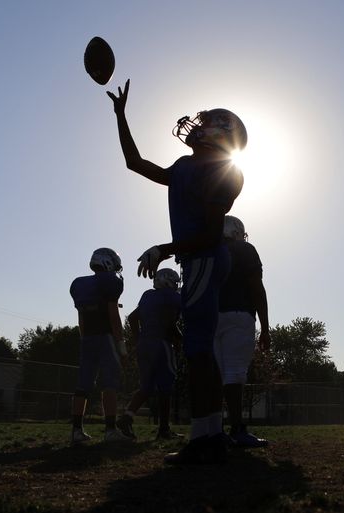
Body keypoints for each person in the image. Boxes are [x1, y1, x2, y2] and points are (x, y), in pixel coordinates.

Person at [108, 80, 245, 464]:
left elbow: (207, 233)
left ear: (221, 132)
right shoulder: (187, 165)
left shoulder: (224, 170)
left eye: (205, 122)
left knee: (199, 350)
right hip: (197, 260)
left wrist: (163, 249)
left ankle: (207, 437)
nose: (195, 125)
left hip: (204, 258)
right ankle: (210, 433)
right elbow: (135, 163)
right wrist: (121, 116)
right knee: (199, 350)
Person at [213, 215, 271, 448]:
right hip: (238, 315)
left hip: (208, 317)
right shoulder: (244, 250)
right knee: (235, 373)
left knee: (214, 375)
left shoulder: (208, 250)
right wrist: (265, 327)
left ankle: (212, 429)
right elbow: (256, 288)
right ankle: (237, 428)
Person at [69, 247, 131, 443]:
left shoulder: (79, 284)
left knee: (83, 384)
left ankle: (76, 431)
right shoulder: (110, 282)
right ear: (108, 263)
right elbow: (114, 316)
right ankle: (110, 430)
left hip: (87, 338)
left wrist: (84, 339)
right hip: (105, 337)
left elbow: (81, 318)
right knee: (109, 383)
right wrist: (121, 344)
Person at [116, 267, 183, 440]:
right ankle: (164, 429)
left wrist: (139, 339)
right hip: (161, 344)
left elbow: (132, 318)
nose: (176, 285)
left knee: (146, 387)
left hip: (145, 344)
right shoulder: (172, 297)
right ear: (167, 281)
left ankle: (127, 417)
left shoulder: (147, 295)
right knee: (165, 388)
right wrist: (181, 339)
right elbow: (169, 323)